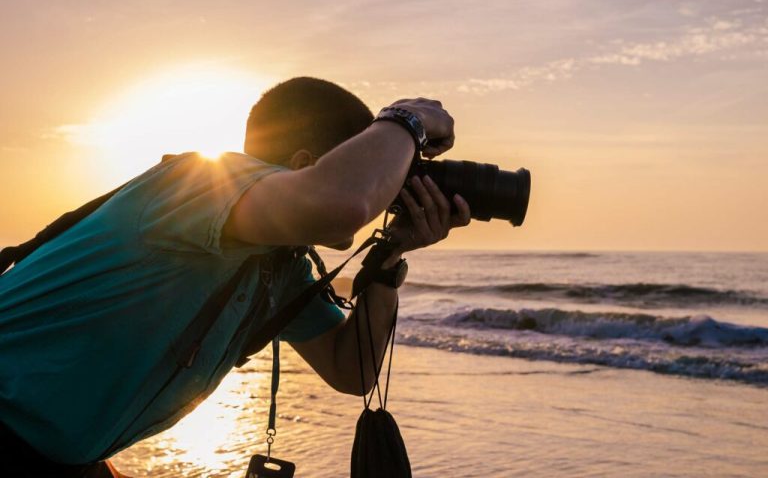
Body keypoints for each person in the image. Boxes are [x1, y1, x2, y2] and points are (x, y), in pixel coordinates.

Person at [0, 77, 471, 477]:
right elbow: (341, 202)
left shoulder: (278, 267)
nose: (378, 197)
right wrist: (407, 119)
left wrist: (390, 259)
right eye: (373, 173)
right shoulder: (202, 184)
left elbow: (352, 370)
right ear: (307, 166)